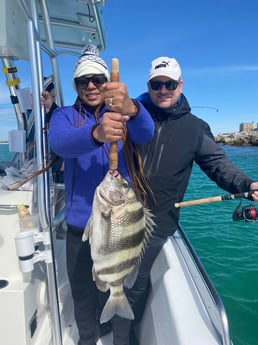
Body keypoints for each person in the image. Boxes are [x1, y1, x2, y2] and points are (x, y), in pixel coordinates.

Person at [114, 56, 258, 343]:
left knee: (134, 284)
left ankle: (122, 337)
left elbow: (218, 165)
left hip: (158, 222)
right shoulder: (131, 116)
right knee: (106, 272)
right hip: (119, 213)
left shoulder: (196, 128)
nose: (163, 89)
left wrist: (247, 183)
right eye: (157, 84)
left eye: (169, 83)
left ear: (180, 86)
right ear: (149, 85)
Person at [47, 44, 155, 345]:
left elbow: (146, 132)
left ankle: (110, 330)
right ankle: (87, 337)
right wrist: (96, 134)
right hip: (80, 226)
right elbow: (59, 143)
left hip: (117, 220)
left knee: (109, 287)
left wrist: (132, 108)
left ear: (107, 81)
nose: (91, 86)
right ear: (75, 86)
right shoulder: (65, 116)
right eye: (84, 81)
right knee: (82, 291)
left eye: (97, 79)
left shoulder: (122, 113)